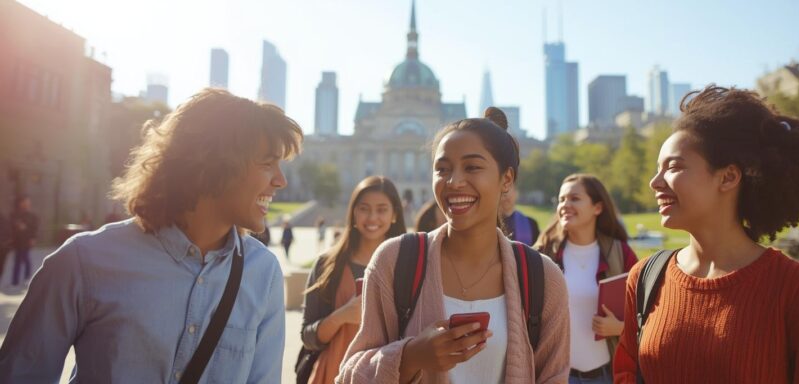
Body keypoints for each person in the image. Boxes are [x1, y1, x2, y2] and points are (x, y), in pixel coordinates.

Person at [0, 88, 303, 382]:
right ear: (210, 165)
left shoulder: (264, 274)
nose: (281, 181)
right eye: (267, 164)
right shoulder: (82, 262)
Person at [614, 86, 799, 383]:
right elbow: (626, 373)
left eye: (673, 167)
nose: (654, 182)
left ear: (727, 177)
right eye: (657, 169)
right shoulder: (645, 278)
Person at [337, 107, 570, 383]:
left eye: (472, 167)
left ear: (506, 178)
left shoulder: (543, 277)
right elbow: (350, 374)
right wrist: (410, 357)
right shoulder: (394, 260)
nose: (454, 182)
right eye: (442, 169)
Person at [297, 176, 407, 384]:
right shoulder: (327, 265)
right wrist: (342, 316)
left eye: (382, 209)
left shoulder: (407, 266)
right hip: (332, 375)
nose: (372, 217)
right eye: (364, 208)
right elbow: (307, 337)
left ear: (394, 215)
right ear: (353, 212)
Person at [534, 174, 638, 384]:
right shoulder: (541, 254)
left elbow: (647, 315)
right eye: (561, 199)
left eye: (574, 198)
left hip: (606, 376)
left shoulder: (621, 254)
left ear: (597, 208)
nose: (565, 205)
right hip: (554, 377)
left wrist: (619, 328)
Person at [10, 196, 38, 287]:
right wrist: (17, 226)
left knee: (26, 259)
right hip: (18, 241)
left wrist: (33, 238)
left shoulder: (32, 215)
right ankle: (15, 281)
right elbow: (11, 225)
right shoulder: (15, 214)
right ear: (20, 203)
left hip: (27, 240)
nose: (25, 204)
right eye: (24, 202)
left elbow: (34, 228)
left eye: (27, 202)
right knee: (17, 260)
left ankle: (27, 278)